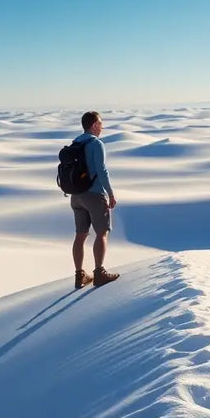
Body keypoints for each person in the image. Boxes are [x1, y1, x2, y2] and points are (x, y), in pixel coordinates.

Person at [71, 111, 120, 288]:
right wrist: (111, 193)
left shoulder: (76, 142)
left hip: (76, 195)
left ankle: (79, 276)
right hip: (94, 194)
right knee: (102, 233)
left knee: (80, 235)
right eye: (100, 123)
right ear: (93, 125)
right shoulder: (95, 143)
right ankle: (99, 273)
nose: (102, 127)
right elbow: (102, 170)